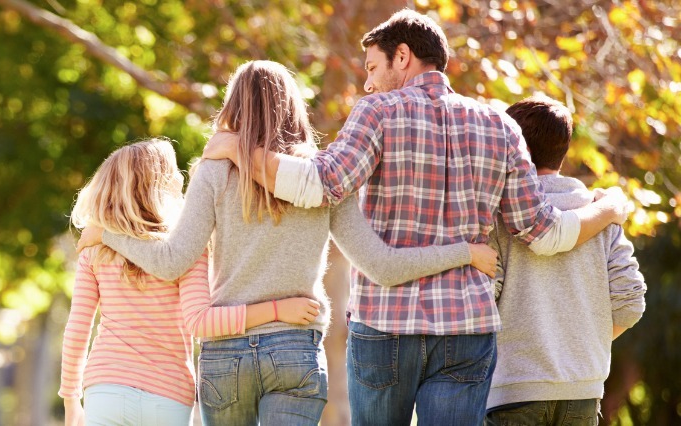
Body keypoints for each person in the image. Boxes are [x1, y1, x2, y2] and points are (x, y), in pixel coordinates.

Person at [201, 10, 632, 425]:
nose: (369, 83)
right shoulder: (502, 128)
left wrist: (242, 147)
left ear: (402, 56)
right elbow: (542, 231)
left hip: (386, 323)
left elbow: (320, 184)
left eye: (372, 68)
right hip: (466, 328)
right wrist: (606, 209)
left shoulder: (378, 112)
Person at [75, 61, 499, 426]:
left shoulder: (216, 172)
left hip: (225, 359)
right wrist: (464, 252)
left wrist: (106, 234)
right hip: (294, 350)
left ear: (233, 107)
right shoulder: (324, 178)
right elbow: (382, 264)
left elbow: (171, 262)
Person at [59, 138, 326, 426]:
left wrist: (71, 400)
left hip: (105, 390)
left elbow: (77, 330)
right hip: (167, 395)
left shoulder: (95, 250)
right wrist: (276, 310)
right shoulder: (187, 249)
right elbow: (201, 323)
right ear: (161, 186)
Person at [484, 96, 647, 425]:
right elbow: (631, 302)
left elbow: (484, 301)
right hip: (582, 391)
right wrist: (577, 341)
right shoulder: (601, 213)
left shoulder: (499, 216)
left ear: (514, 147)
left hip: (512, 390)